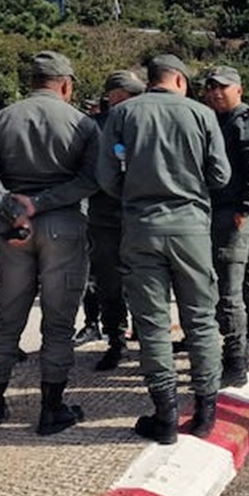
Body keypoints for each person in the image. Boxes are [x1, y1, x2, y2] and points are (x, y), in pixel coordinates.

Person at [98, 54, 231, 444]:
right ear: (181, 81)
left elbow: (106, 176)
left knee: (153, 324)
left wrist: (136, 194)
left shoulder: (123, 114)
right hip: (191, 227)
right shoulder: (202, 115)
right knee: (201, 319)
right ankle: (205, 413)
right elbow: (220, 174)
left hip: (141, 227)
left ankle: (166, 417)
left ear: (150, 79)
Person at [0, 51, 100, 438]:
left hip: (12, 228)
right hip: (63, 225)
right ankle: (51, 409)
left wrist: (11, 205)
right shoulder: (82, 123)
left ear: (32, 81)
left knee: (5, 321)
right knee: (58, 324)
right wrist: (41, 203)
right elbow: (92, 179)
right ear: (66, 85)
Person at [201, 65, 249, 387]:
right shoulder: (221, 120)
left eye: (223, 87)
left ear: (239, 90)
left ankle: (237, 357)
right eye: (211, 87)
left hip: (236, 213)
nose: (216, 92)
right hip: (235, 211)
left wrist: (245, 209)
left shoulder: (243, 122)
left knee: (229, 286)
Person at [88, 69, 146, 371]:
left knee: (146, 280)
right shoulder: (94, 127)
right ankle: (115, 340)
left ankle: (146, 337)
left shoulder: (146, 123)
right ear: (113, 97)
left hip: (140, 214)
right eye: (125, 96)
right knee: (109, 283)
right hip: (106, 216)